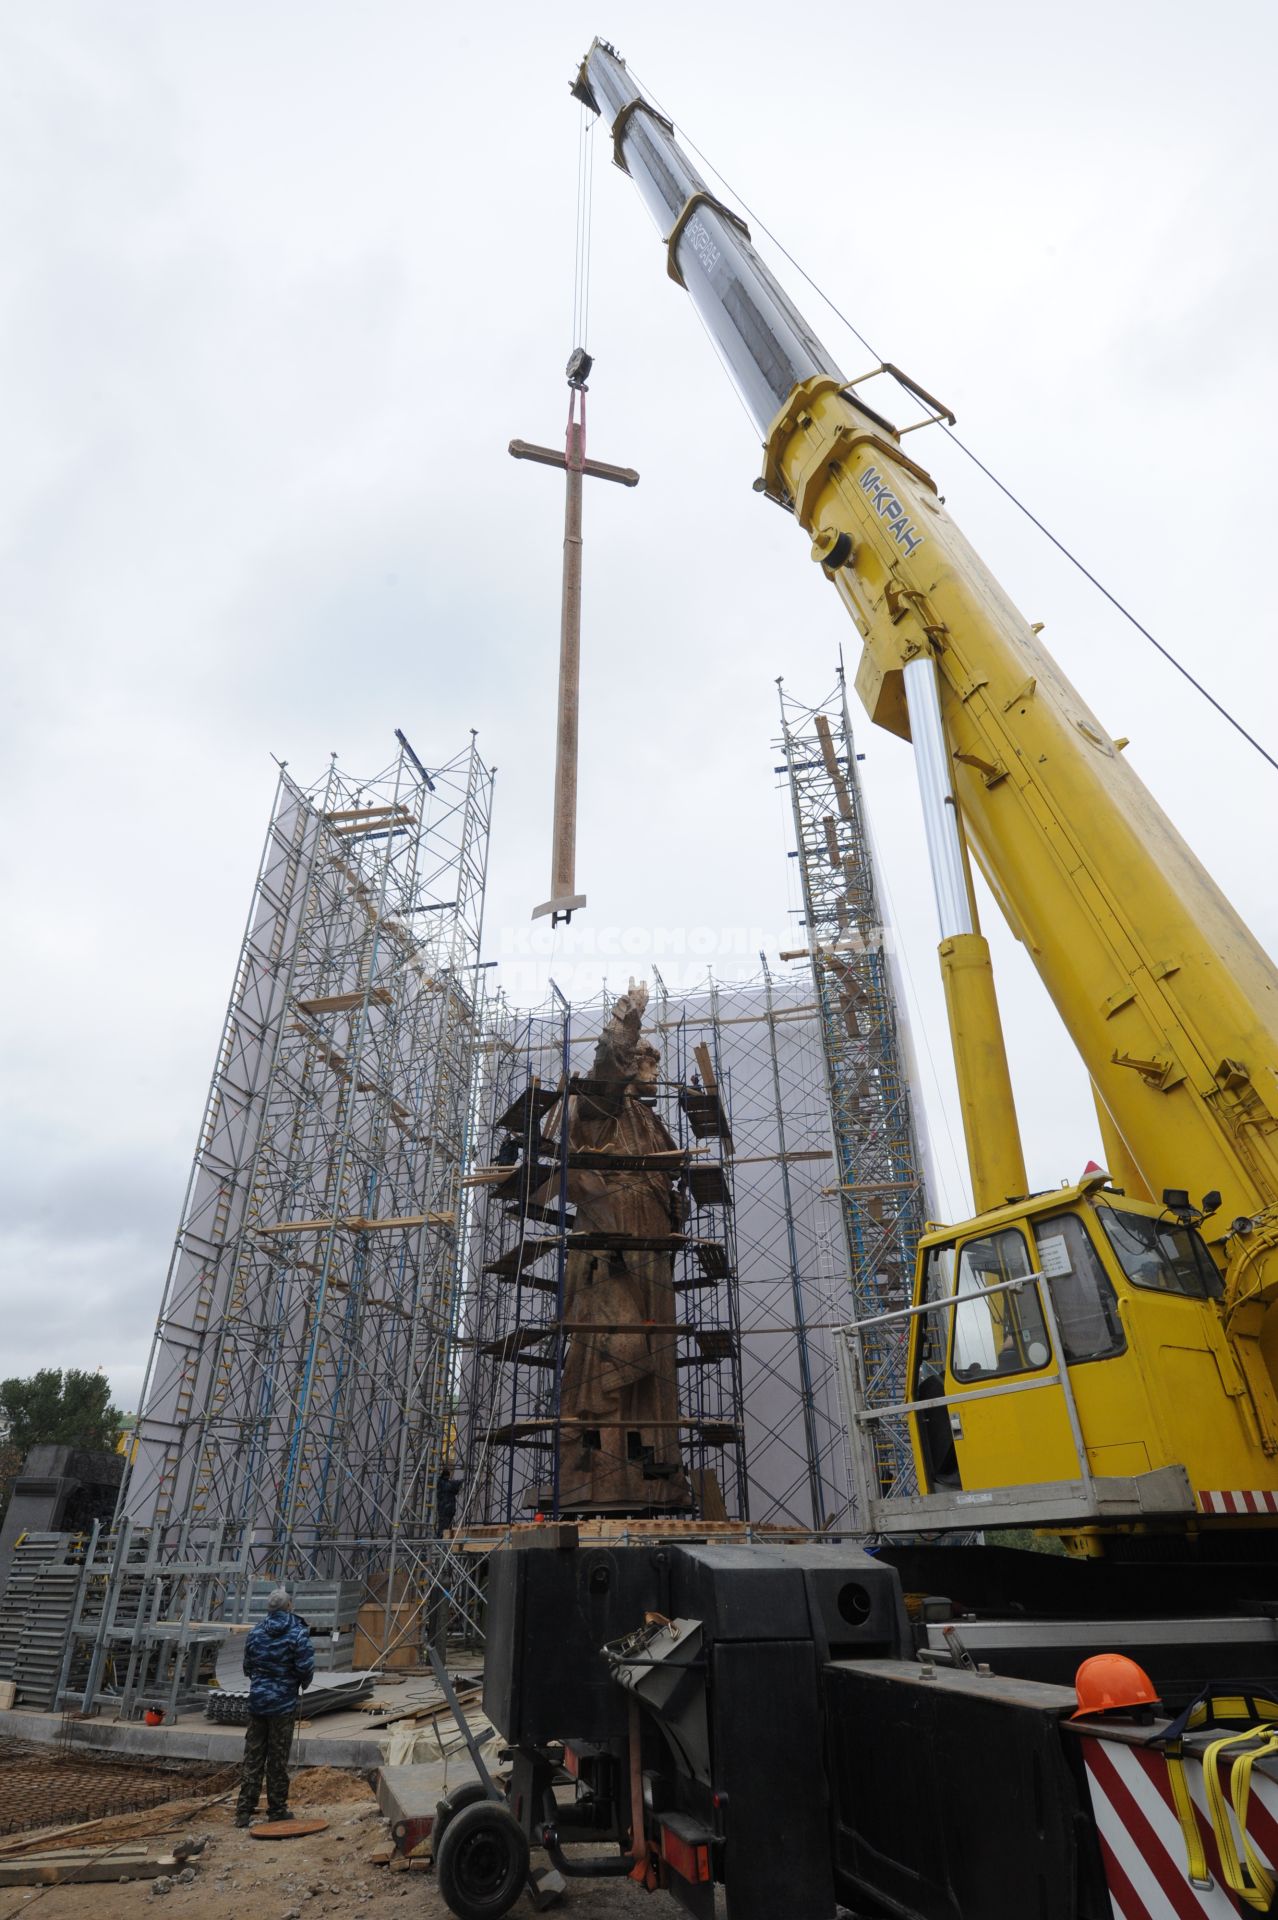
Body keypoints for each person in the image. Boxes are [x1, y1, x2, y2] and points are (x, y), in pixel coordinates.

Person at [234, 1586, 314, 1827]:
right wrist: (298, 1683)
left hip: (258, 1702)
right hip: (283, 1704)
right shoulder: (297, 1633)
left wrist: (261, 1684)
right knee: (277, 1760)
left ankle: (243, 1812)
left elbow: (247, 1666)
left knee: (253, 1758)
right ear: (289, 1606)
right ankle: (277, 1809)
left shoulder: (256, 1632)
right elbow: (305, 1667)